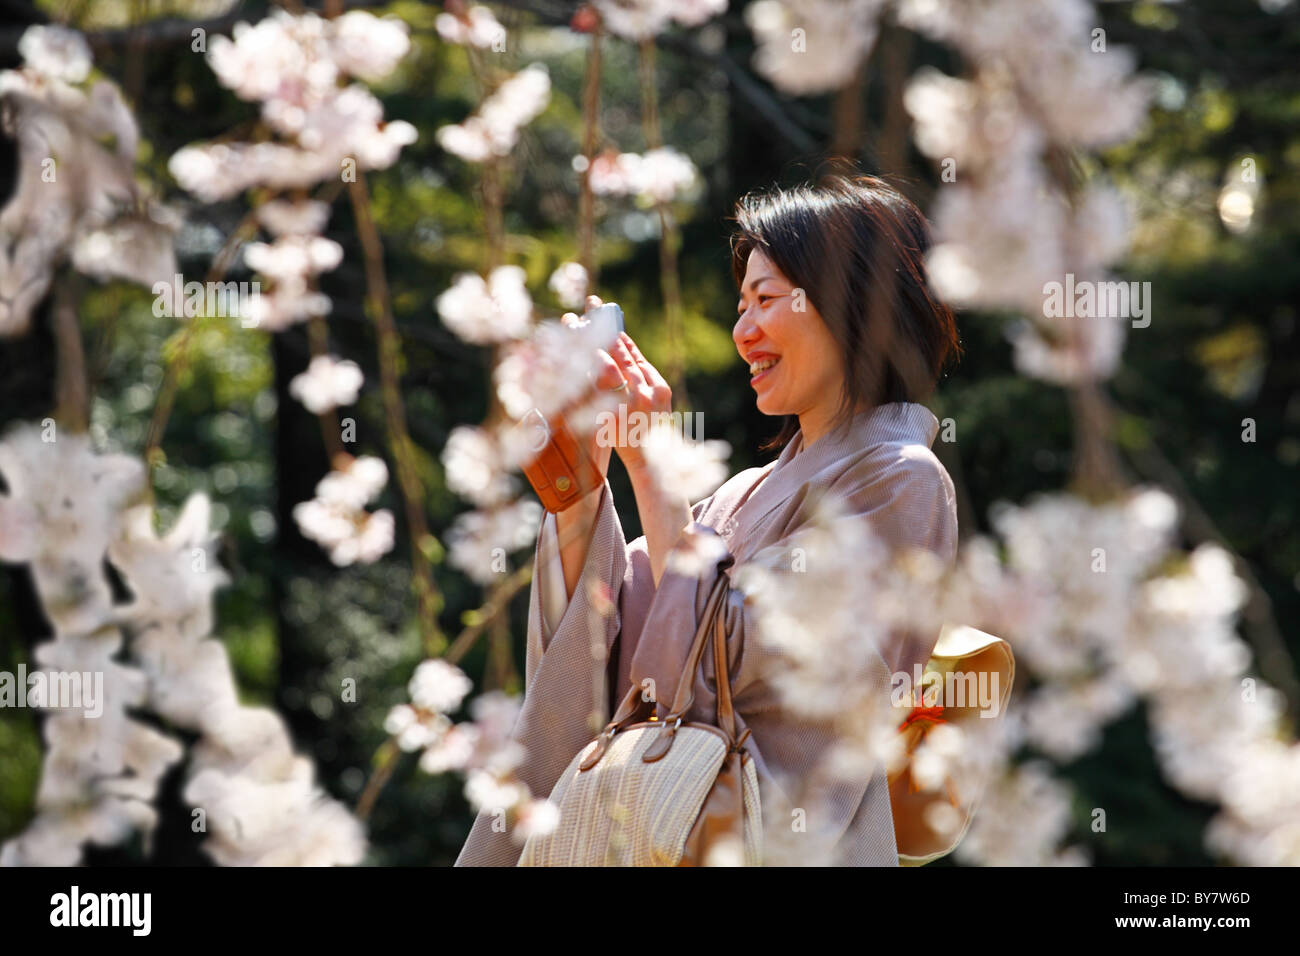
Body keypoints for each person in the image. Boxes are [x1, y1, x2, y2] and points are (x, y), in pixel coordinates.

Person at [455, 172, 962, 866]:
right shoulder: (742, 494)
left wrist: (650, 459)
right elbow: (609, 641)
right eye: (739, 304)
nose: (743, 331)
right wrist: (578, 487)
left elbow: (749, 646)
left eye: (766, 300)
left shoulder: (902, 480)